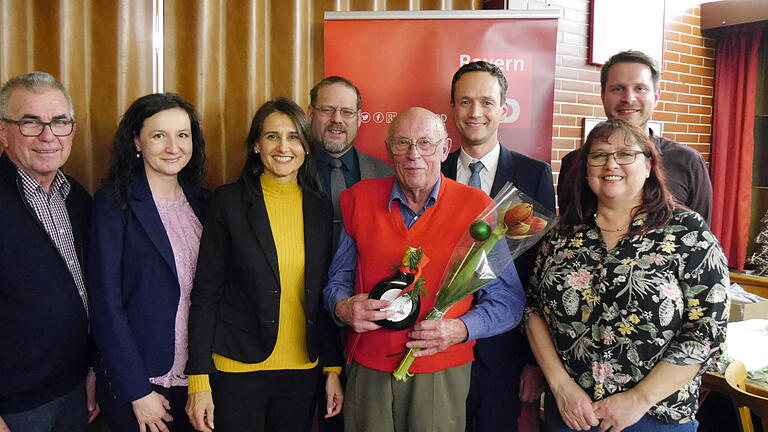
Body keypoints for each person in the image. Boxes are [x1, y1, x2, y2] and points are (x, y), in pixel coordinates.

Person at [324, 107, 526, 432]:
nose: (413, 154)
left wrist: (460, 329)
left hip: (441, 369)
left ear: (445, 149)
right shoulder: (357, 201)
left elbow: (507, 301)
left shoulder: (478, 209)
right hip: (368, 366)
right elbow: (338, 279)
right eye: (402, 143)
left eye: (425, 143)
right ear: (389, 151)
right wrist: (342, 307)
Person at [525, 119, 729, 432]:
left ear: (649, 165)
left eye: (625, 154)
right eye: (599, 155)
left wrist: (638, 399)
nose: (611, 164)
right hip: (571, 415)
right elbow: (533, 309)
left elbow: (706, 331)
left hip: (654, 418)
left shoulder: (688, 233)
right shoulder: (564, 235)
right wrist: (561, 387)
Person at [185, 97, 343, 432]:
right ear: (257, 145)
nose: (283, 147)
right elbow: (206, 294)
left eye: (293, 137)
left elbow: (322, 292)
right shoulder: (227, 202)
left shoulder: (319, 207)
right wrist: (198, 379)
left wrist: (332, 368)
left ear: (307, 147)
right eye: (272, 136)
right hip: (237, 368)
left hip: (302, 371)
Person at [442, 60, 555, 432]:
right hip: (438, 345)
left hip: (504, 353)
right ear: (452, 107)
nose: (476, 113)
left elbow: (540, 271)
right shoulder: (431, 172)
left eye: (487, 103)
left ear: (504, 109)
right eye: (465, 102)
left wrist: (534, 360)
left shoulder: (533, 174)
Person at [88, 93, 208, 432]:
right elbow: (106, 305)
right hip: (142, 383)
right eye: (159, 135)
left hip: (197, 382)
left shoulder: (203, 201)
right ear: (136, 141)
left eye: (182, 135)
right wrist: (137, 391)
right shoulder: (114, 204)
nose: (174, 146)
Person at [0, 71, 98, 431]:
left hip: (74, 394)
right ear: (3, 132)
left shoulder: (77, 198)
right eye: (30, 123)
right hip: (14, 406)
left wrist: (92, 368)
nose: (47, 136)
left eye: (59, 122)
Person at [558, 50, 712, 224]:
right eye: (617, 89)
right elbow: (566, 232)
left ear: (656, 97)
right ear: (603, 96)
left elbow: (700, 240)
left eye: (640, 88)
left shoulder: (688, 162)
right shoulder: (573, 163)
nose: (628, 98)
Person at [308, 76, 392, 242]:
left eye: (347, 112)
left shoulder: (386, 175)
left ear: (359, 118)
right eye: (327, 110)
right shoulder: (293, 171)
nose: (337, 119)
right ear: (311, 114)